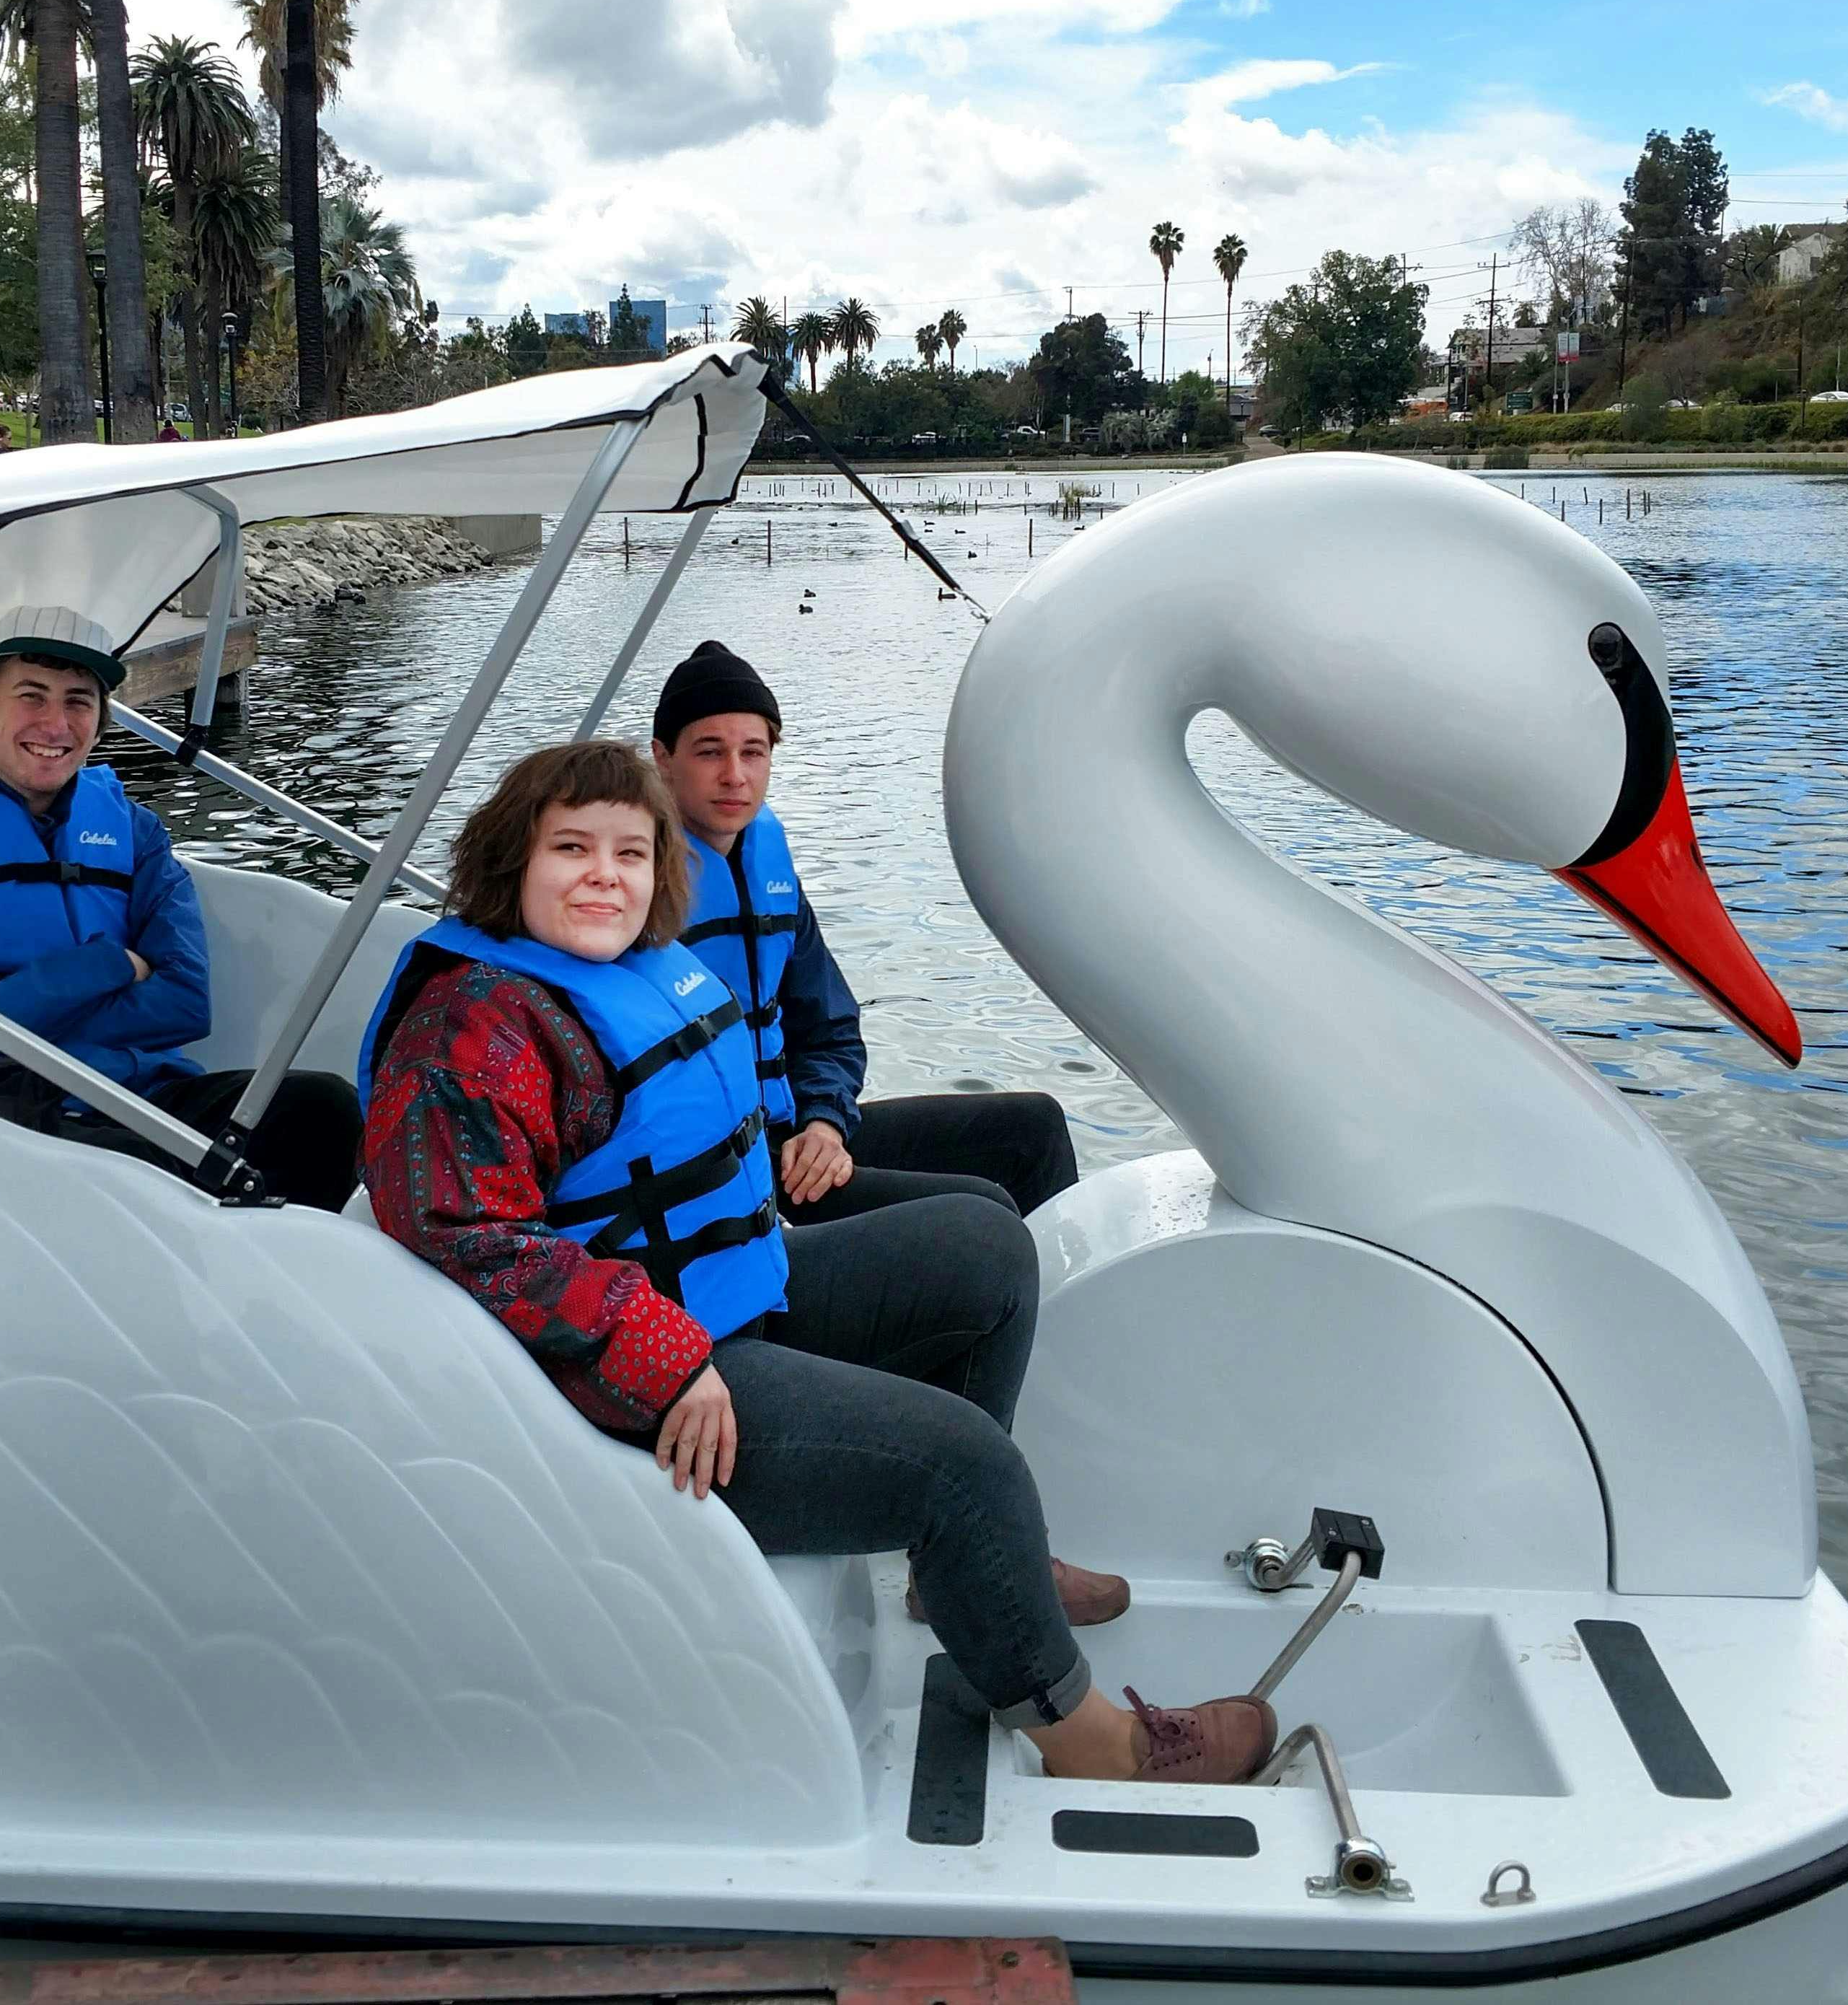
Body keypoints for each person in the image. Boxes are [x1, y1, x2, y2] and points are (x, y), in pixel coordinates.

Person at [357, 739, 1272, 1784]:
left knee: (985, 1246)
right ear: (509, 862)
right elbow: (462, 1232)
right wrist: (665, 1353)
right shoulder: (478, 1022)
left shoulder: (623, 970)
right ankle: (1094, 1743)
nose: (605, 873)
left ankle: (964, 1579)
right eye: (571, 847)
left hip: (725, 1302)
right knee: (963, 1464)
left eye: (632, 850)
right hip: (626, 1385)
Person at [0, 605, 362, 1210]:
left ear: (99, 723)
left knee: (325, 1107)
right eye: (31, 696)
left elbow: (185, 1001)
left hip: (146, 1095)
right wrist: (111, 967)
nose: (55, 723)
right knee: (158, 1179)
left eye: (78, 701)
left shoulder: (137, 833)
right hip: (13, 1116)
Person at [648, 641, 1078, 1226]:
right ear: (662, 758)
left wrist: (823, 1122)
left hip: (791, 1134)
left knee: (1033, 1128)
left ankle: (1069, 1309)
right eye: (709, 752)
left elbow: (827, 1027)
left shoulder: (767, 874)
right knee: (984, 1218)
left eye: (753, 752)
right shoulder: (630, 880)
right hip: (715, 1169)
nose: (734, 775)